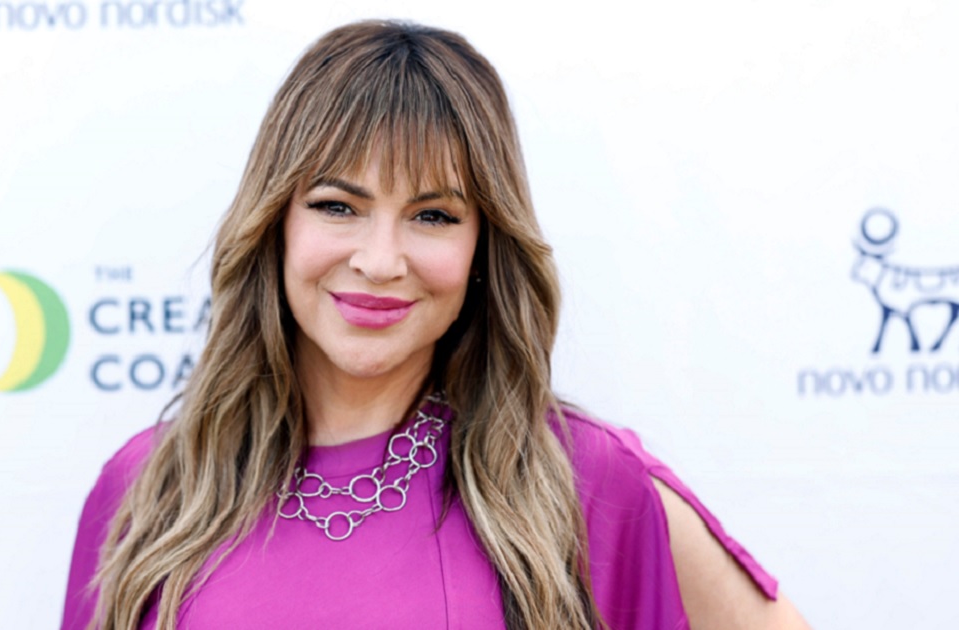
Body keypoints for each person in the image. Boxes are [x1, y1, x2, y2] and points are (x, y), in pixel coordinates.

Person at [61, 20, 810, 630]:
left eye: (432, 215)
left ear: (484, 243)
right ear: (276, 224)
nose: (381, 260)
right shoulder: (149, 489)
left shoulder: (583, 479)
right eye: (337, 205)